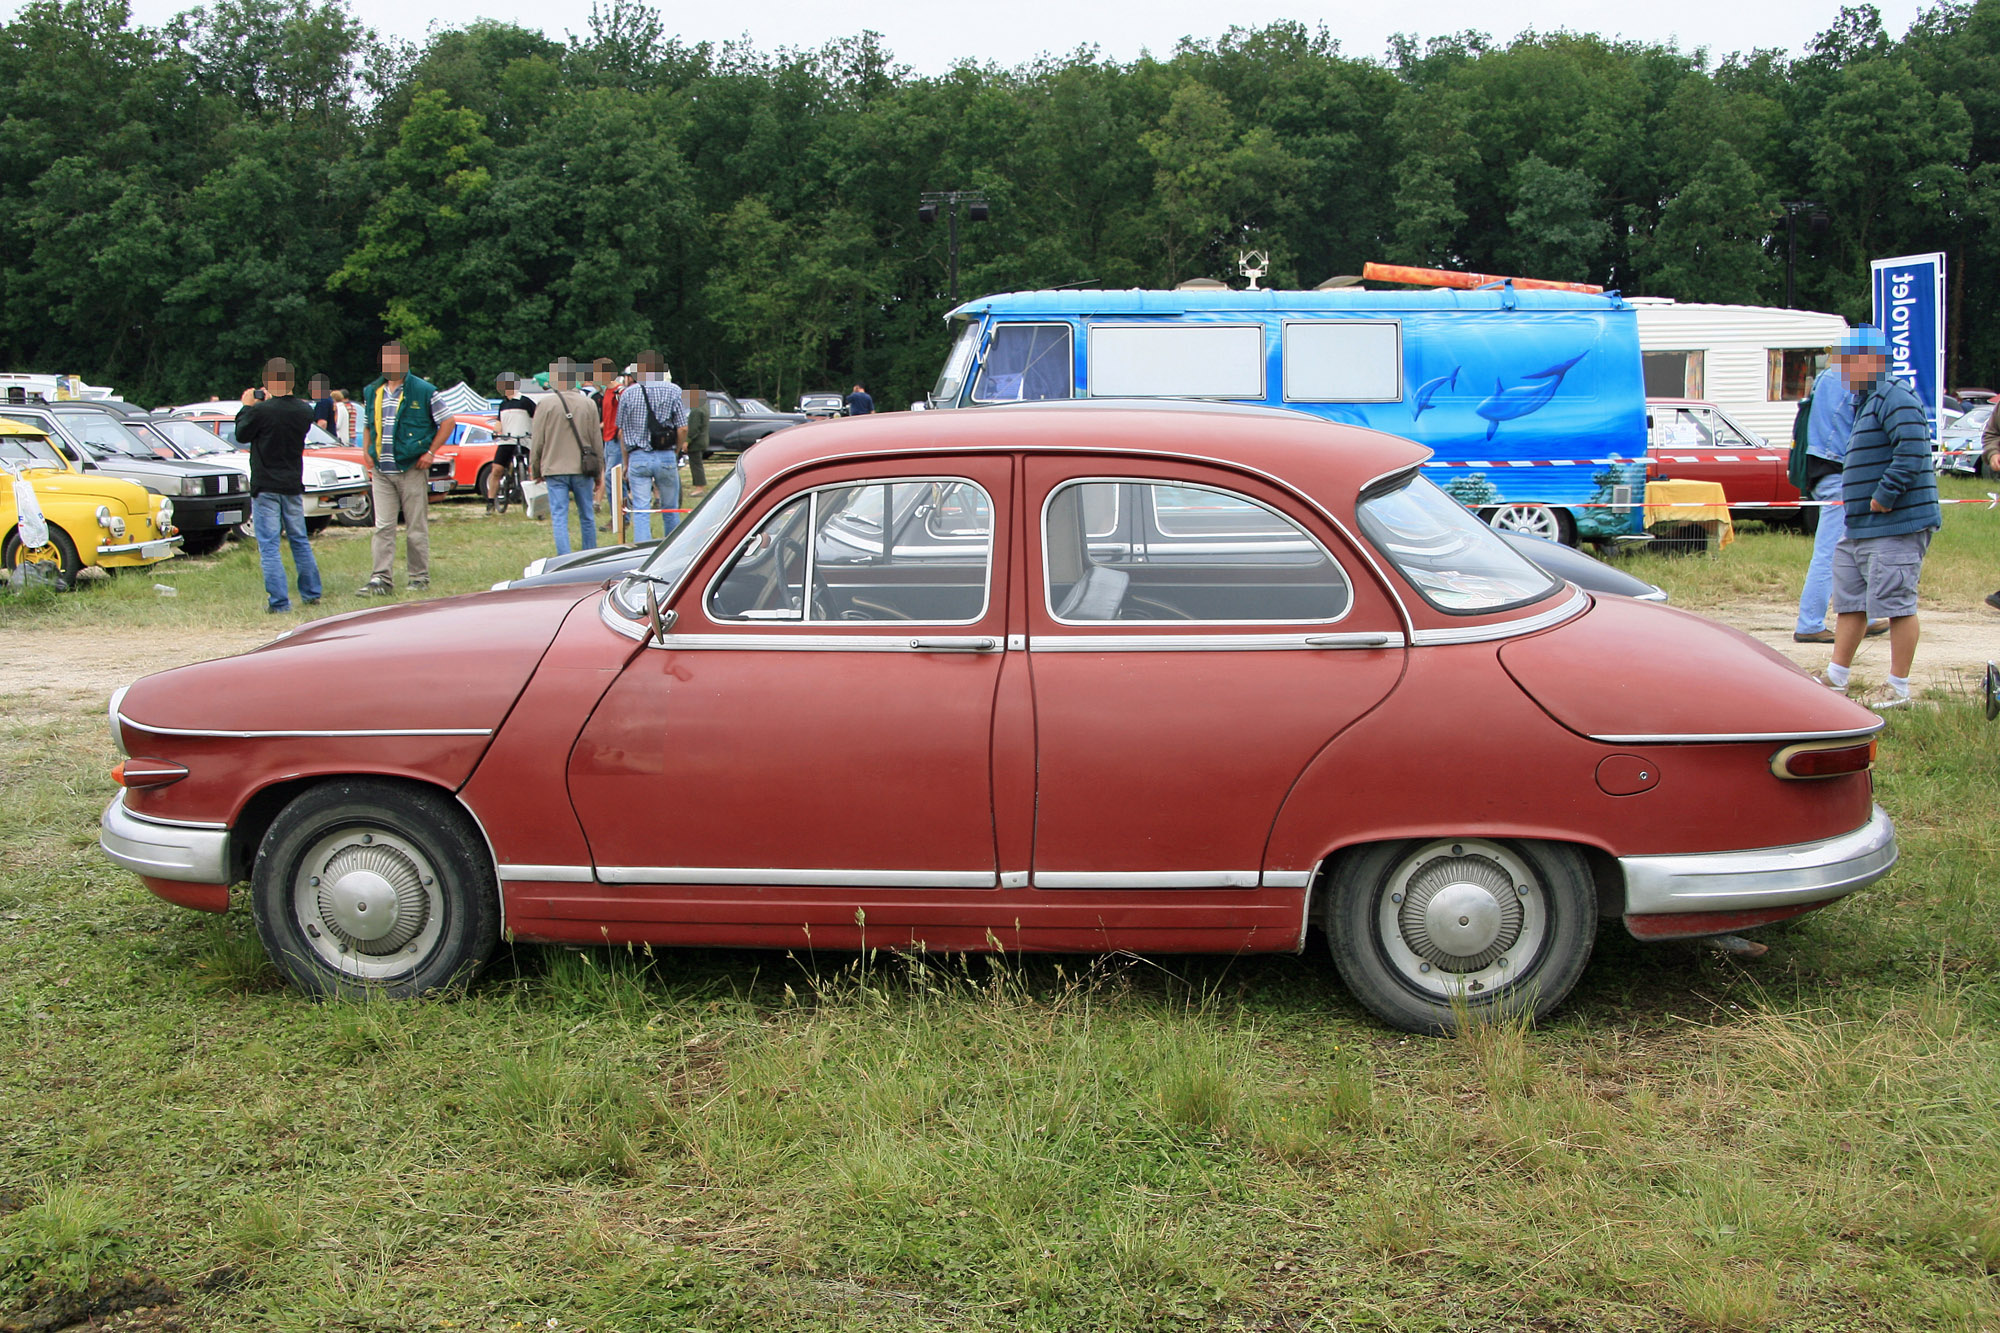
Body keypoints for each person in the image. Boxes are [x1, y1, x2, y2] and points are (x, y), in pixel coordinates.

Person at [1815, 327, 1943, 710]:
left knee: (1896, 605)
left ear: (1872, 361)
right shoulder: (1864, 401)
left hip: (1893, 525)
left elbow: (1914, 451)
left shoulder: (1895, 396)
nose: (1840, 369)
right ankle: (1836, 678)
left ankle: (1897, 687)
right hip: (1859, 528)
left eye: (1847, 361)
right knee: (1850, 603)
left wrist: (1884, 498)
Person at [1792, 357, 1887, 644]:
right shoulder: (1853, 380)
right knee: (1831, 553)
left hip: (1825, 470)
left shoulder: (1827, 377)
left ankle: (1862, 616)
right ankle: (1809, 623)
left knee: (1852, 549)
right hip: (1840, 473)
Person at [358, 340, 455, 596]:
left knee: (415, 526)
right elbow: (369, 424)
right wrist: (367, 451)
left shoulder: (423, 390)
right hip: (382, 471)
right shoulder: (373, 391)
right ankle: (380, 579)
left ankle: (419, 577)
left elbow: (448, 421)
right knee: (383, 526)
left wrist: (431, 452)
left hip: (411, 467)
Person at [234, 357, 323, 614]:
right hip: (292, 482)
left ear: (267, 382)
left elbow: (242, 434)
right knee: (299, 539)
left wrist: (247, 407)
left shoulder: (261, 411)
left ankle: (279, 602)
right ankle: (311, 592)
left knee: (269, 544)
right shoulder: (305, 411)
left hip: (266, 485)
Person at [530, 358, 601, 555]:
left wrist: (535, 469)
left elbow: (537, 442)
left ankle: (565, 560)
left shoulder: (544, 405)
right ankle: (590, 556)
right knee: (587, 514)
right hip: (583, 468)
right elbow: (597, 441)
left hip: (554, 468)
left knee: (559, 516)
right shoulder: (589, 404)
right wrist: (599, 472)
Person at [615, 350, 688, 543]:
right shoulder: (674, 391)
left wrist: (625, 462)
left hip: (638, 456)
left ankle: (642, 550)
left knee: (641, 509)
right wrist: (676, 450)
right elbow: (682, 428)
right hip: (665, 455)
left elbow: (621, 432)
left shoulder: (628, 394)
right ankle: (672, 548)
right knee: (670, 508)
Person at [489, 373, 534, 510]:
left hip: (523, 440)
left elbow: (537, 417)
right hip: (506, 441)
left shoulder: (525, 401)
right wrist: (497, 431)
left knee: (530, 469)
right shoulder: (503, 404)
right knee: (496, 469)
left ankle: (532, 499)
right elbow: (499, 422)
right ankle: (491, 501)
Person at [684, 385, 709, 489]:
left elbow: (694, 429)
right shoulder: (704, 407)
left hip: (696, 442)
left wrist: (686, 441)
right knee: (698, 464)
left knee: (696, 465)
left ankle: (699, 486)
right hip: (703, 440)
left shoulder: (696, 410)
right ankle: (700, 485)